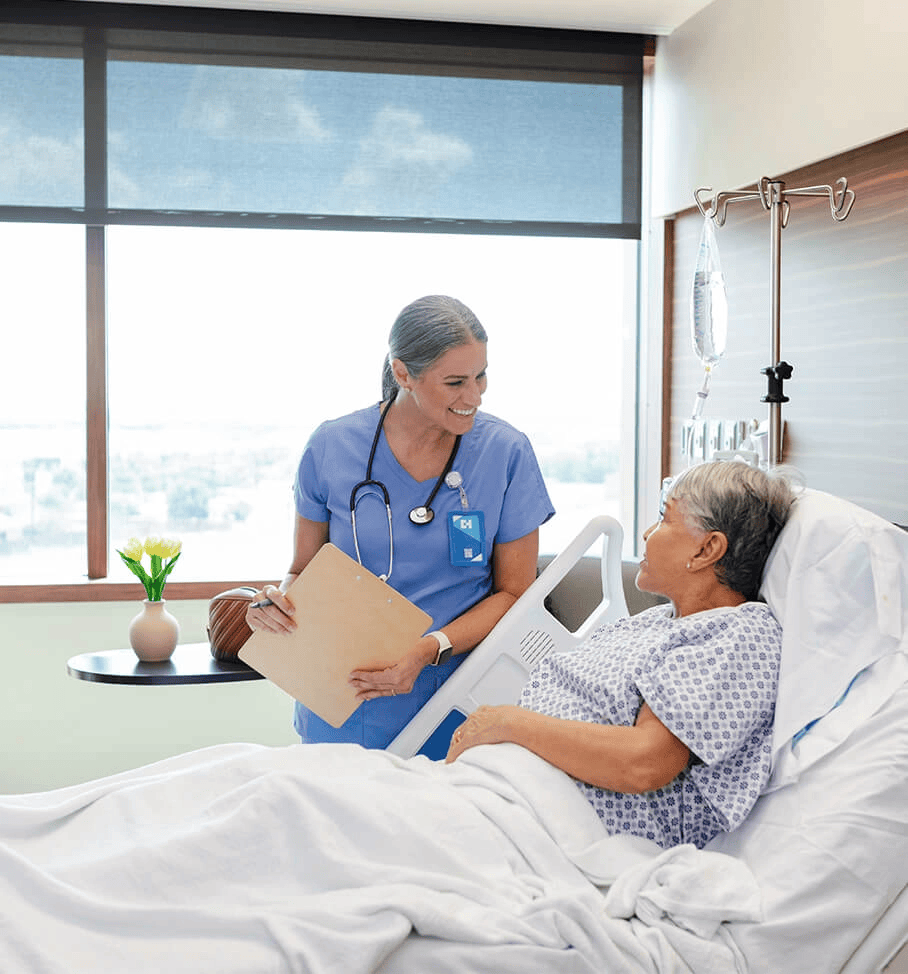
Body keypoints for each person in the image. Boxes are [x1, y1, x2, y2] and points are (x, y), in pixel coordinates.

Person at [247, 295, 554, 750]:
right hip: (340, 697)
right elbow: (303, 571)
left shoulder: (504, 452)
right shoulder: (331, 447)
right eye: (454, 382)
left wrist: (429, 648)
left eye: (481, 376)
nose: (474, 396)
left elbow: (514, 594)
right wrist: (278, 603)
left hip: (458, 697)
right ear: (403, 373)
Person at [445, 459, 796, 849]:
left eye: (664, 519)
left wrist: (508, 723)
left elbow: (645, 762)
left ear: (707, 549)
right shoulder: (657, 622)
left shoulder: (738, 633)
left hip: (558, 819)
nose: (647, 533)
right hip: (506, 790)